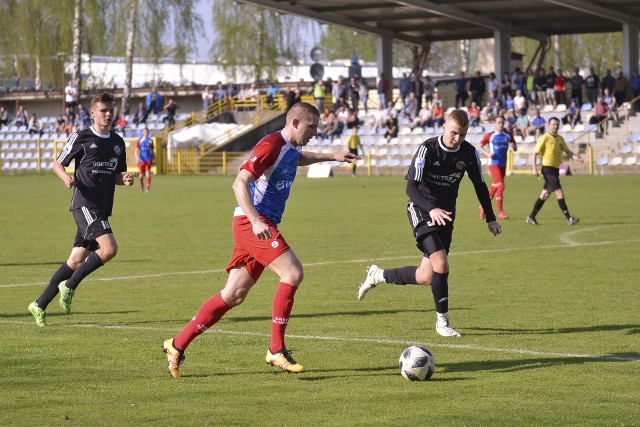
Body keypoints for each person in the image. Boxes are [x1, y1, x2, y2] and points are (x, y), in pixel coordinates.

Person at [162, 102, 359, 378]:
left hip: (260, 224)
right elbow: (239, 183)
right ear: (294, 123)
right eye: (311, 126)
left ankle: (176, 344)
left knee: (233, 294)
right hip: (251, 222)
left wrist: (333, 156)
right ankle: (276, 349)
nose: (315, 132)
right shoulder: (270, 145)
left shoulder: (289, 148)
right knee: (292, 272)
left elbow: (297, 157)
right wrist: (255, 220)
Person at [356, 110, 501, 338]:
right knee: (441, 264)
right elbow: (411, 187)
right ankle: (442, 323)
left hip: (446, 216)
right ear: (444, 127)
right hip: (421, 210)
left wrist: (491, 217)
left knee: (426, 276)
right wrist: (431, 209)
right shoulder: (428, 149)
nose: (457, 138)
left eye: (462, 134)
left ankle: (378, 275)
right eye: (454, 133)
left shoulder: (469, 153)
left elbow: (480, 186)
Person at [28, 92, 133, 327]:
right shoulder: (81, 137)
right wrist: (65, 177)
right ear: (92, 113)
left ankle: (40, 303)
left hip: (102, 207)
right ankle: (70, 285)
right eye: (103, 110)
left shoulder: (117, 142)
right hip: (84, 203)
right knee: (110, 248)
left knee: (75, 260)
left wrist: (123, 179)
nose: (108, 114)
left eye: (111, 110)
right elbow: (57, 164)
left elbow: (115, 175)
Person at [526, 117, 583, 226]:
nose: (555, 126)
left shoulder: (560, 138)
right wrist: (534, 168)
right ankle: (569, 218)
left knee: (545, 194)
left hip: (555, 169)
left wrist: (577, 158)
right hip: (547, 169)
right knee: (559, 192)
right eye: (553, 124)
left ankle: (531, 217)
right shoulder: (545, 138)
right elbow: (534, 153)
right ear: (549, 125)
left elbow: (568, 151)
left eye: (557, 124)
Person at [478, 116, 517, 220]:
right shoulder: (490, 136)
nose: (501, 124)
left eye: (502, 123)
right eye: (499, 122)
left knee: (495, 187)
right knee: (501, 186)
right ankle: (500, 212)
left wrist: (513, 146)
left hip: (503, 165)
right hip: (493, 164)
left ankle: (483, 206)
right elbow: (479, 146)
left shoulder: (508, 135)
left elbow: (515, 147)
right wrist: (488, 154)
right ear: (495, 124)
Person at [135, 127, 155, 193]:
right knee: (140, 176)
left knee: (147, 174)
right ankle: (141, 185)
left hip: (149, 159)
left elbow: (152, 151)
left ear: (148, 133)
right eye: (144, 132)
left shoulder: (150, 141)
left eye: (146, 132)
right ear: (142, 133)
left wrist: (154, 159)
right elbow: (136, 151)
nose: (145, 133)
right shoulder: (139, 140)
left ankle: (147, 188)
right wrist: (137, 158)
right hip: (141, 160)